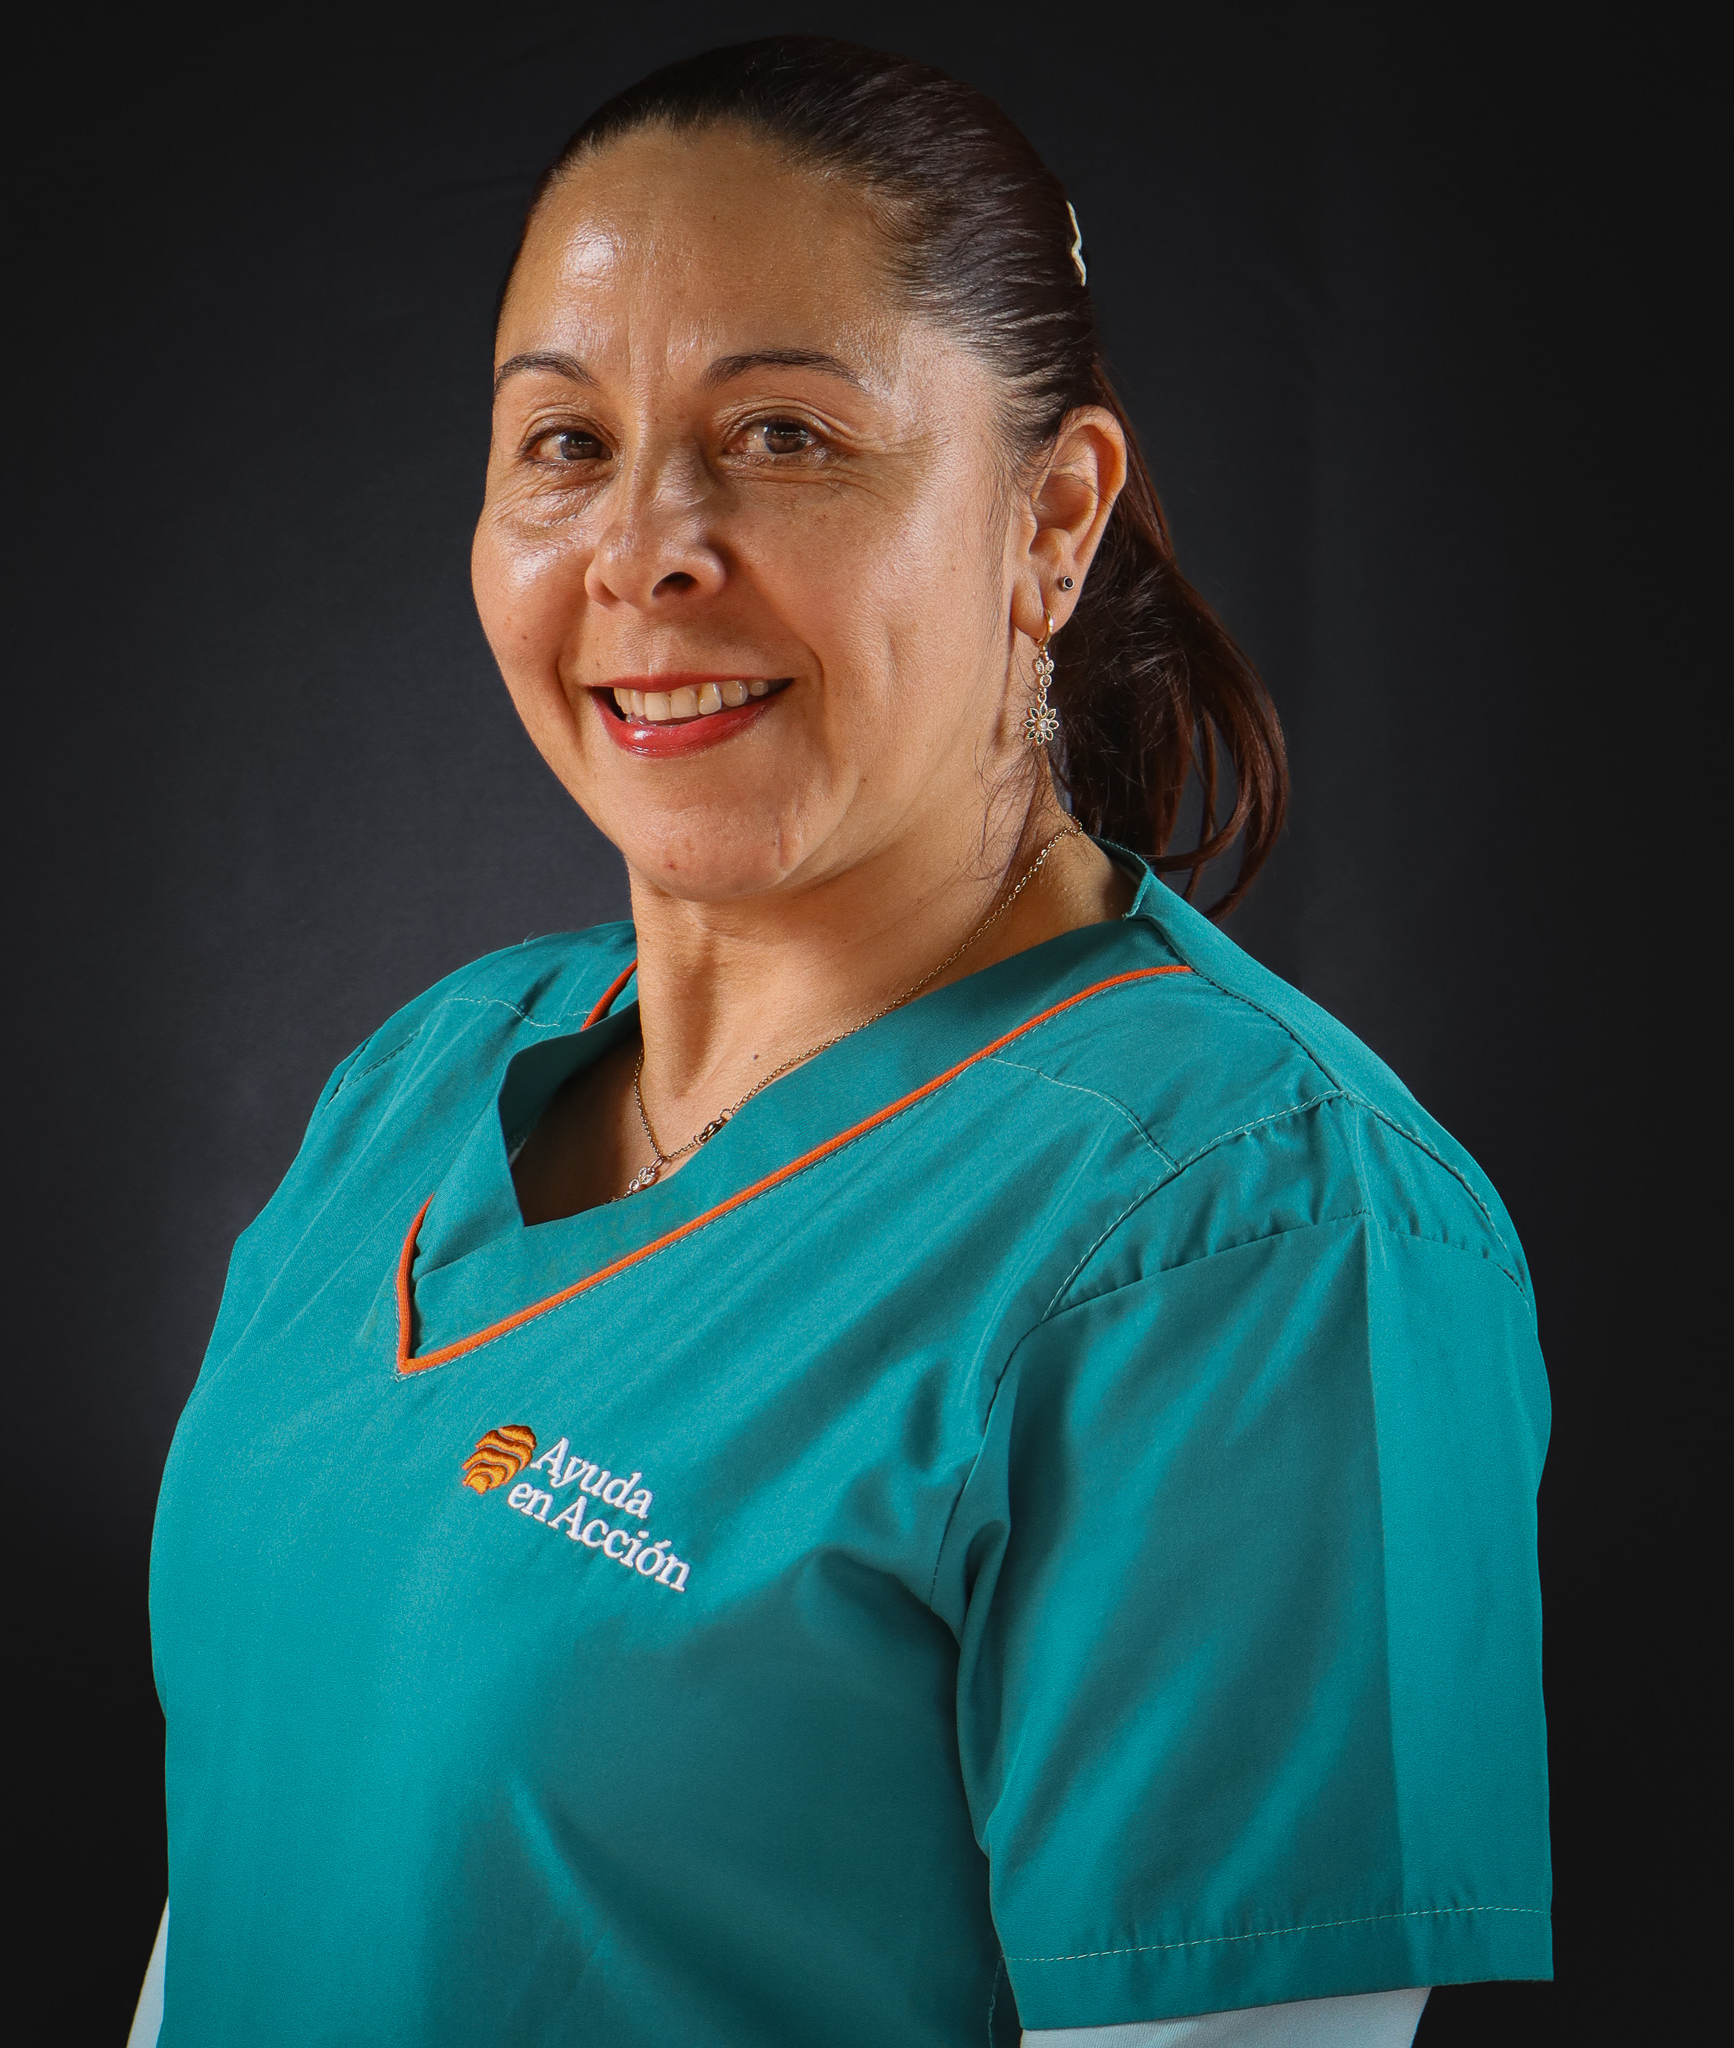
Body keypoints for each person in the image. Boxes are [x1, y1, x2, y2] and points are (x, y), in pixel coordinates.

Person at [137, 37, 1550, 2047]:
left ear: (1051, 518)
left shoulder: (1258, 1235)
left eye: (784, 435)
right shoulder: (421, 1084)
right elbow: (256, 1877)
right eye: (563, 442)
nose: (644, 547)